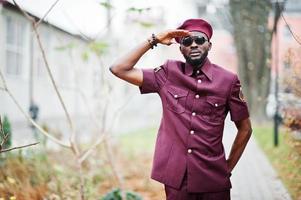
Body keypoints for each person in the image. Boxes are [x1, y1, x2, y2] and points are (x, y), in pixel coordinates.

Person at [110, 18, 252, 200]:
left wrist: (227, 168)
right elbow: (119, 69)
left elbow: (245, 128)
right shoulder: (168, 73)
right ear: (181, 48)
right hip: (176, 179)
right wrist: (154, 39)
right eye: (187, 41)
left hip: (214, 180)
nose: (194, 44)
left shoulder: (228, 81)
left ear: (209, 45)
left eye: (200, 40)